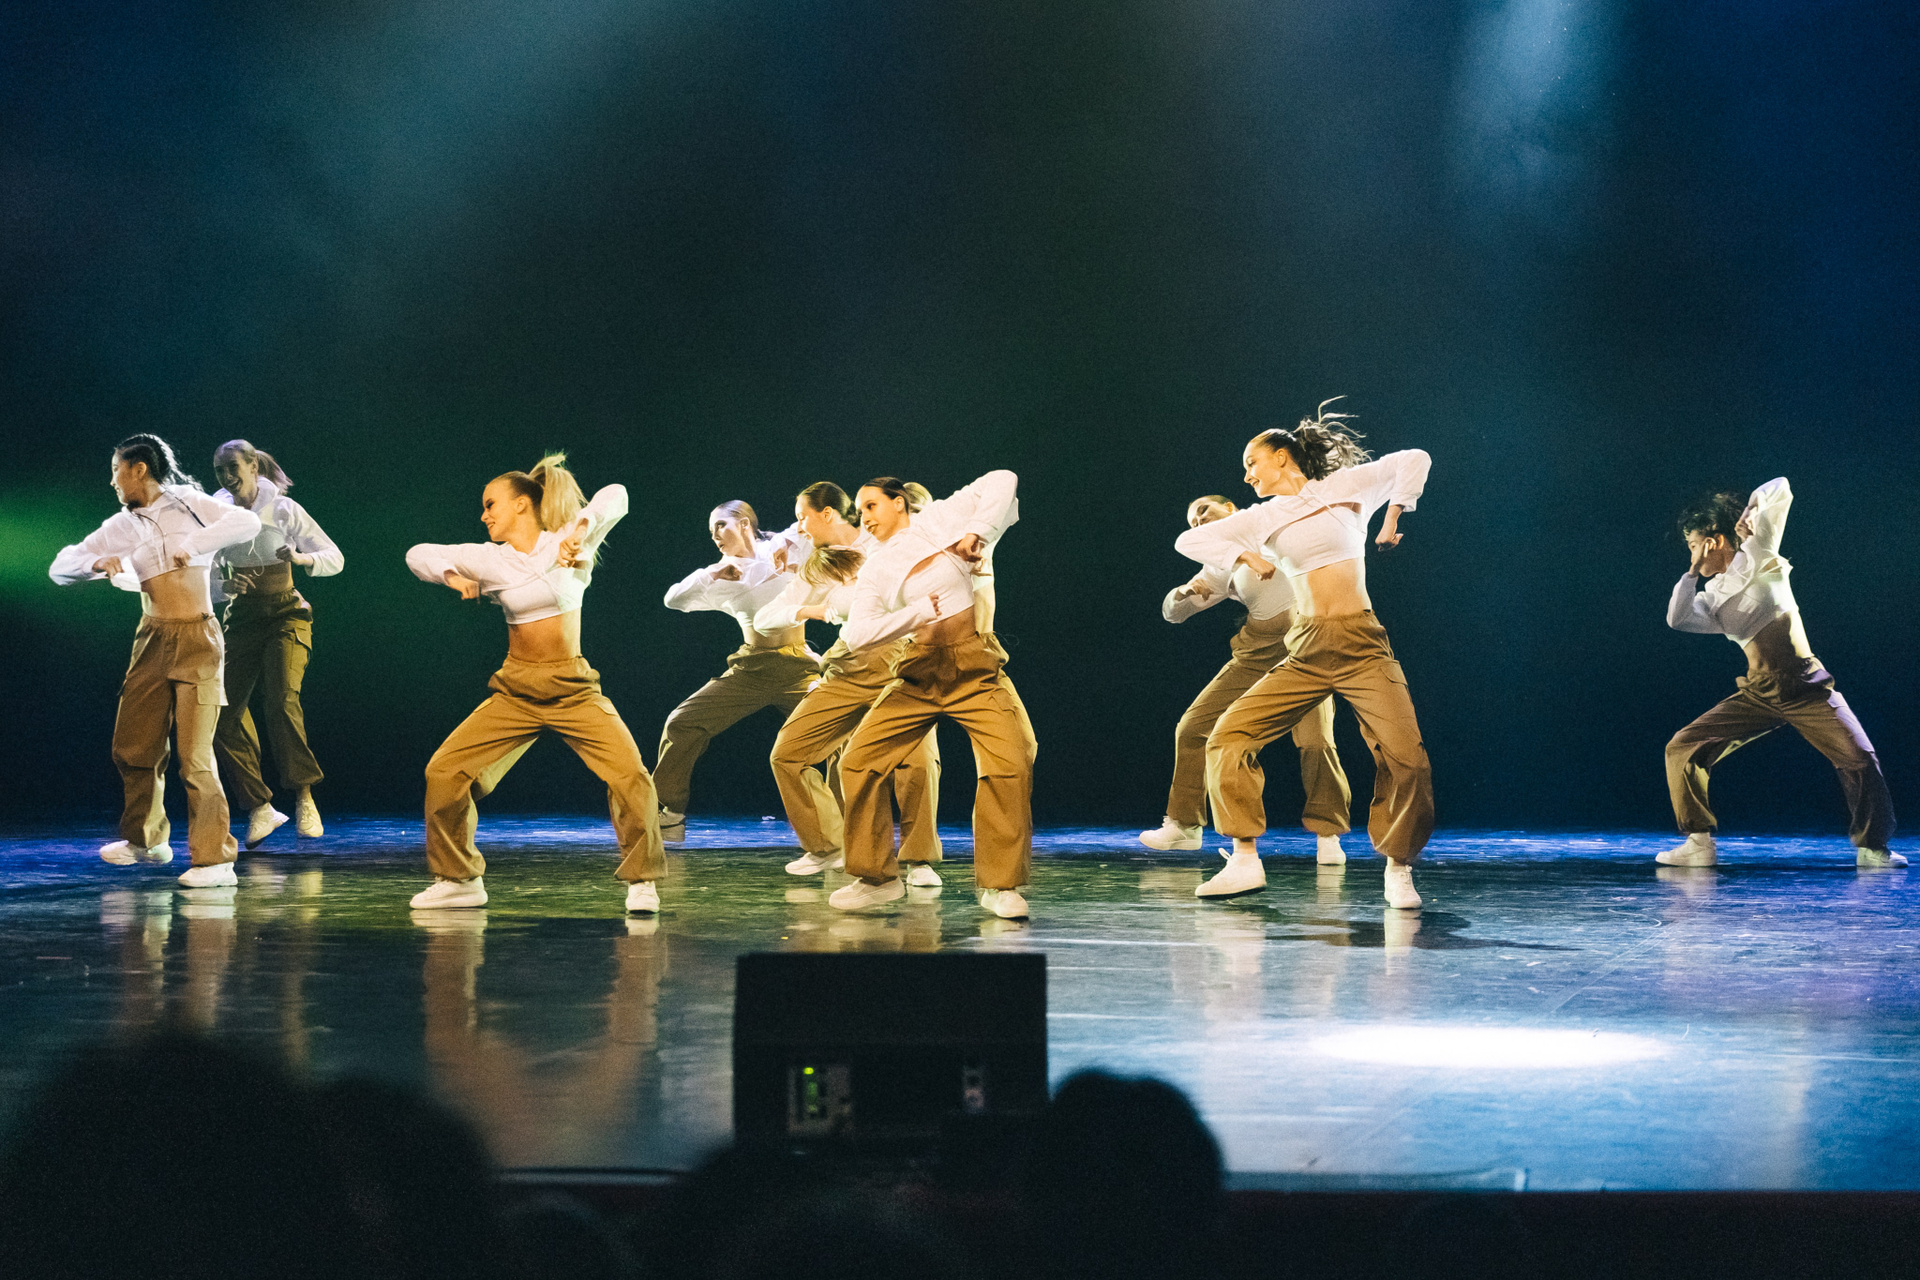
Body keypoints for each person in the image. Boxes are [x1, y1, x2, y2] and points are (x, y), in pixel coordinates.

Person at [1175, 401, 1432, 910]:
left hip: (1362, 645)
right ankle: (1244, 859)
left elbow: (1414, 459)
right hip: (1306, 649)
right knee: (1226, 738)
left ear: (1282, 455)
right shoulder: (1262, 517)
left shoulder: (1347, 486)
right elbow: (1190, 539)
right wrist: (1245, 554)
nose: (1246, 475)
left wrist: (1391, 519)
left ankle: (1398, 867)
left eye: (1252, 462)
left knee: (1409, 760)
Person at [404, 454, 665, 912]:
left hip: (573, 689)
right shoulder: (489, 559)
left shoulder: (565, 542)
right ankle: (459, 880)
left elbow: (617, 496)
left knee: (630, 775)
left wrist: (581, 530)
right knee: (444, 771)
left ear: (522, 504)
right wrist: (452, 576)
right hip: (516, 691)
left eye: (491, 504)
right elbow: (417, 553)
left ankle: (642, 881)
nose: (484, 516)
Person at [49, 434, 262, 888]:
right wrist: (95, 565)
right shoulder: (123, 524)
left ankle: (215, 861)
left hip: (198, 637)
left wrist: (197, 544)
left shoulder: (188, 502)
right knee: (134, 745)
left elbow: (246, 522)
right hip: (150, 639)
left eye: (116, 470)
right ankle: (146, 841)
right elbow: (60, 566)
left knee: (195, 756)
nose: (113, 481)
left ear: (138, 468)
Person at [1662, 479, 1901, 867]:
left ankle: (1873, 848)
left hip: (1807, 686)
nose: (1691, 553)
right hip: (1759, 692)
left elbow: (1780, 489)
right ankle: (1698, 843)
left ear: (1714, 541)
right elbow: (1677, 619)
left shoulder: (1757, 550)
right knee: (1682, 746)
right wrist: (1691, 573)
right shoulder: (1711, 598)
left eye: (1692, 544)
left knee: (1860, 758)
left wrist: (1749, 515)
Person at [831, 472, 1035, 919]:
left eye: (870, 506)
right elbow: (858, 634)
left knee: (1012, 758)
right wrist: (917, 613)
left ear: (899, 502)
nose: (865, 518)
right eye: (859, 512)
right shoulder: (878, 567)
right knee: (858, 760)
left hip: (973, 667)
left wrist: (976, 533)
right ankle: (877, 879)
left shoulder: (941, 519)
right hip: (918, 674)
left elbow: (1003, 479)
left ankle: (1000, 885)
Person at [1141, 492, 1352, 877]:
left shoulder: (1273, 524)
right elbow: (1174, 614)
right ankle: (1184, 825)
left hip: (1305, 647)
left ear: (1230, 508)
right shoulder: (1218, 563)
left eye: (1203, 510)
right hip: (1256, 652)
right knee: (1192, 728)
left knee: (1316, 741)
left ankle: (1328, 833)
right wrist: (1182, 595)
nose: (1199, 520)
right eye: (1193, 521)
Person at [757, 482, 943, 881]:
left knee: (917, 762)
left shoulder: (880, 539)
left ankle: (919, 860)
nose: (799, 527)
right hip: (847, 666)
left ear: (827, 514)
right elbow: (764, 618)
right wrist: (814, 610)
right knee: (787, 754)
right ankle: (828, 845)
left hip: (901, 662)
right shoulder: (817, 566)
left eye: (803, 518)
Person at [655, 501, 819, 843]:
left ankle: (847, 821)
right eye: (710, 531)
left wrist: (795, 538)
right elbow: (673, 599)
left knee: (843, 732)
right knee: (681, 722)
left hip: (798, 667)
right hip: (751, 669)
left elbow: (814, 524)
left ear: (744, 523)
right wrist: (713, 574)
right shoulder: (720, 573)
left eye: (720, 525)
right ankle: (670, 814)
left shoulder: (784, 545)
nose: (715, 535)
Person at [208, 440, 344, 849]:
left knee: (282, 699)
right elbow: (203, 576)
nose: (227, 476)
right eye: (219, 470)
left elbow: (334, 556)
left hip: (287, 614)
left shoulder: (283, 509)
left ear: (253, 467)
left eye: (233, 467)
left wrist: (302, 559)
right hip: (241, 620)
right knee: (222, 712)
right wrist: (225, 585)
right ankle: (259, 807)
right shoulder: (215, 516)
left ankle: (304, 796)